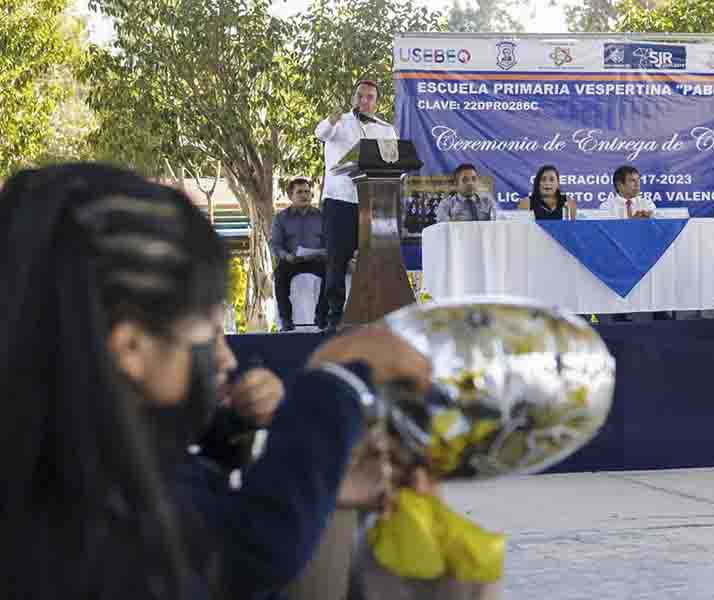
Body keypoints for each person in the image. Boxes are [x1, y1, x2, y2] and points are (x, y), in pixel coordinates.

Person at [0, 163, 432, 600]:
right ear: (130, 347)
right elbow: (254, 547)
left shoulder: (62, 453)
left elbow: (182, 484)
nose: (226, 357)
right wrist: (337, 373)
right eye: (207, 330)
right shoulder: (75, 514)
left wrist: (247, 441)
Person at [315, 80, 397, 331]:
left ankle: (371, 313)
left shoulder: (386, 129)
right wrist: (332, 117)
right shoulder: (340, 123)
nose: (364, 101)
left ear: (376, 101)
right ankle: (334, 316)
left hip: (370, 203)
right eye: (360, 96)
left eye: (370, 97)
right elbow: (321, 133)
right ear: (354, 98)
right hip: (339, 201)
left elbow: (395, 164)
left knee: (373, 260)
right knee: (336, 260)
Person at [270, 177, 327, 332]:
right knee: (280, 275)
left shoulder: (322, 217)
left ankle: (322, 317)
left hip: (316, 260)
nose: (304, 195)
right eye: (299, 192)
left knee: (332, 273)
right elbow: (275, 244)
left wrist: (323, 253)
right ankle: (286, 320)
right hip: (291, 260)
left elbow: (329, 243)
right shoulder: (280, 218)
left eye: (307, 192)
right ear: (290, 196)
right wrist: (286, 256)